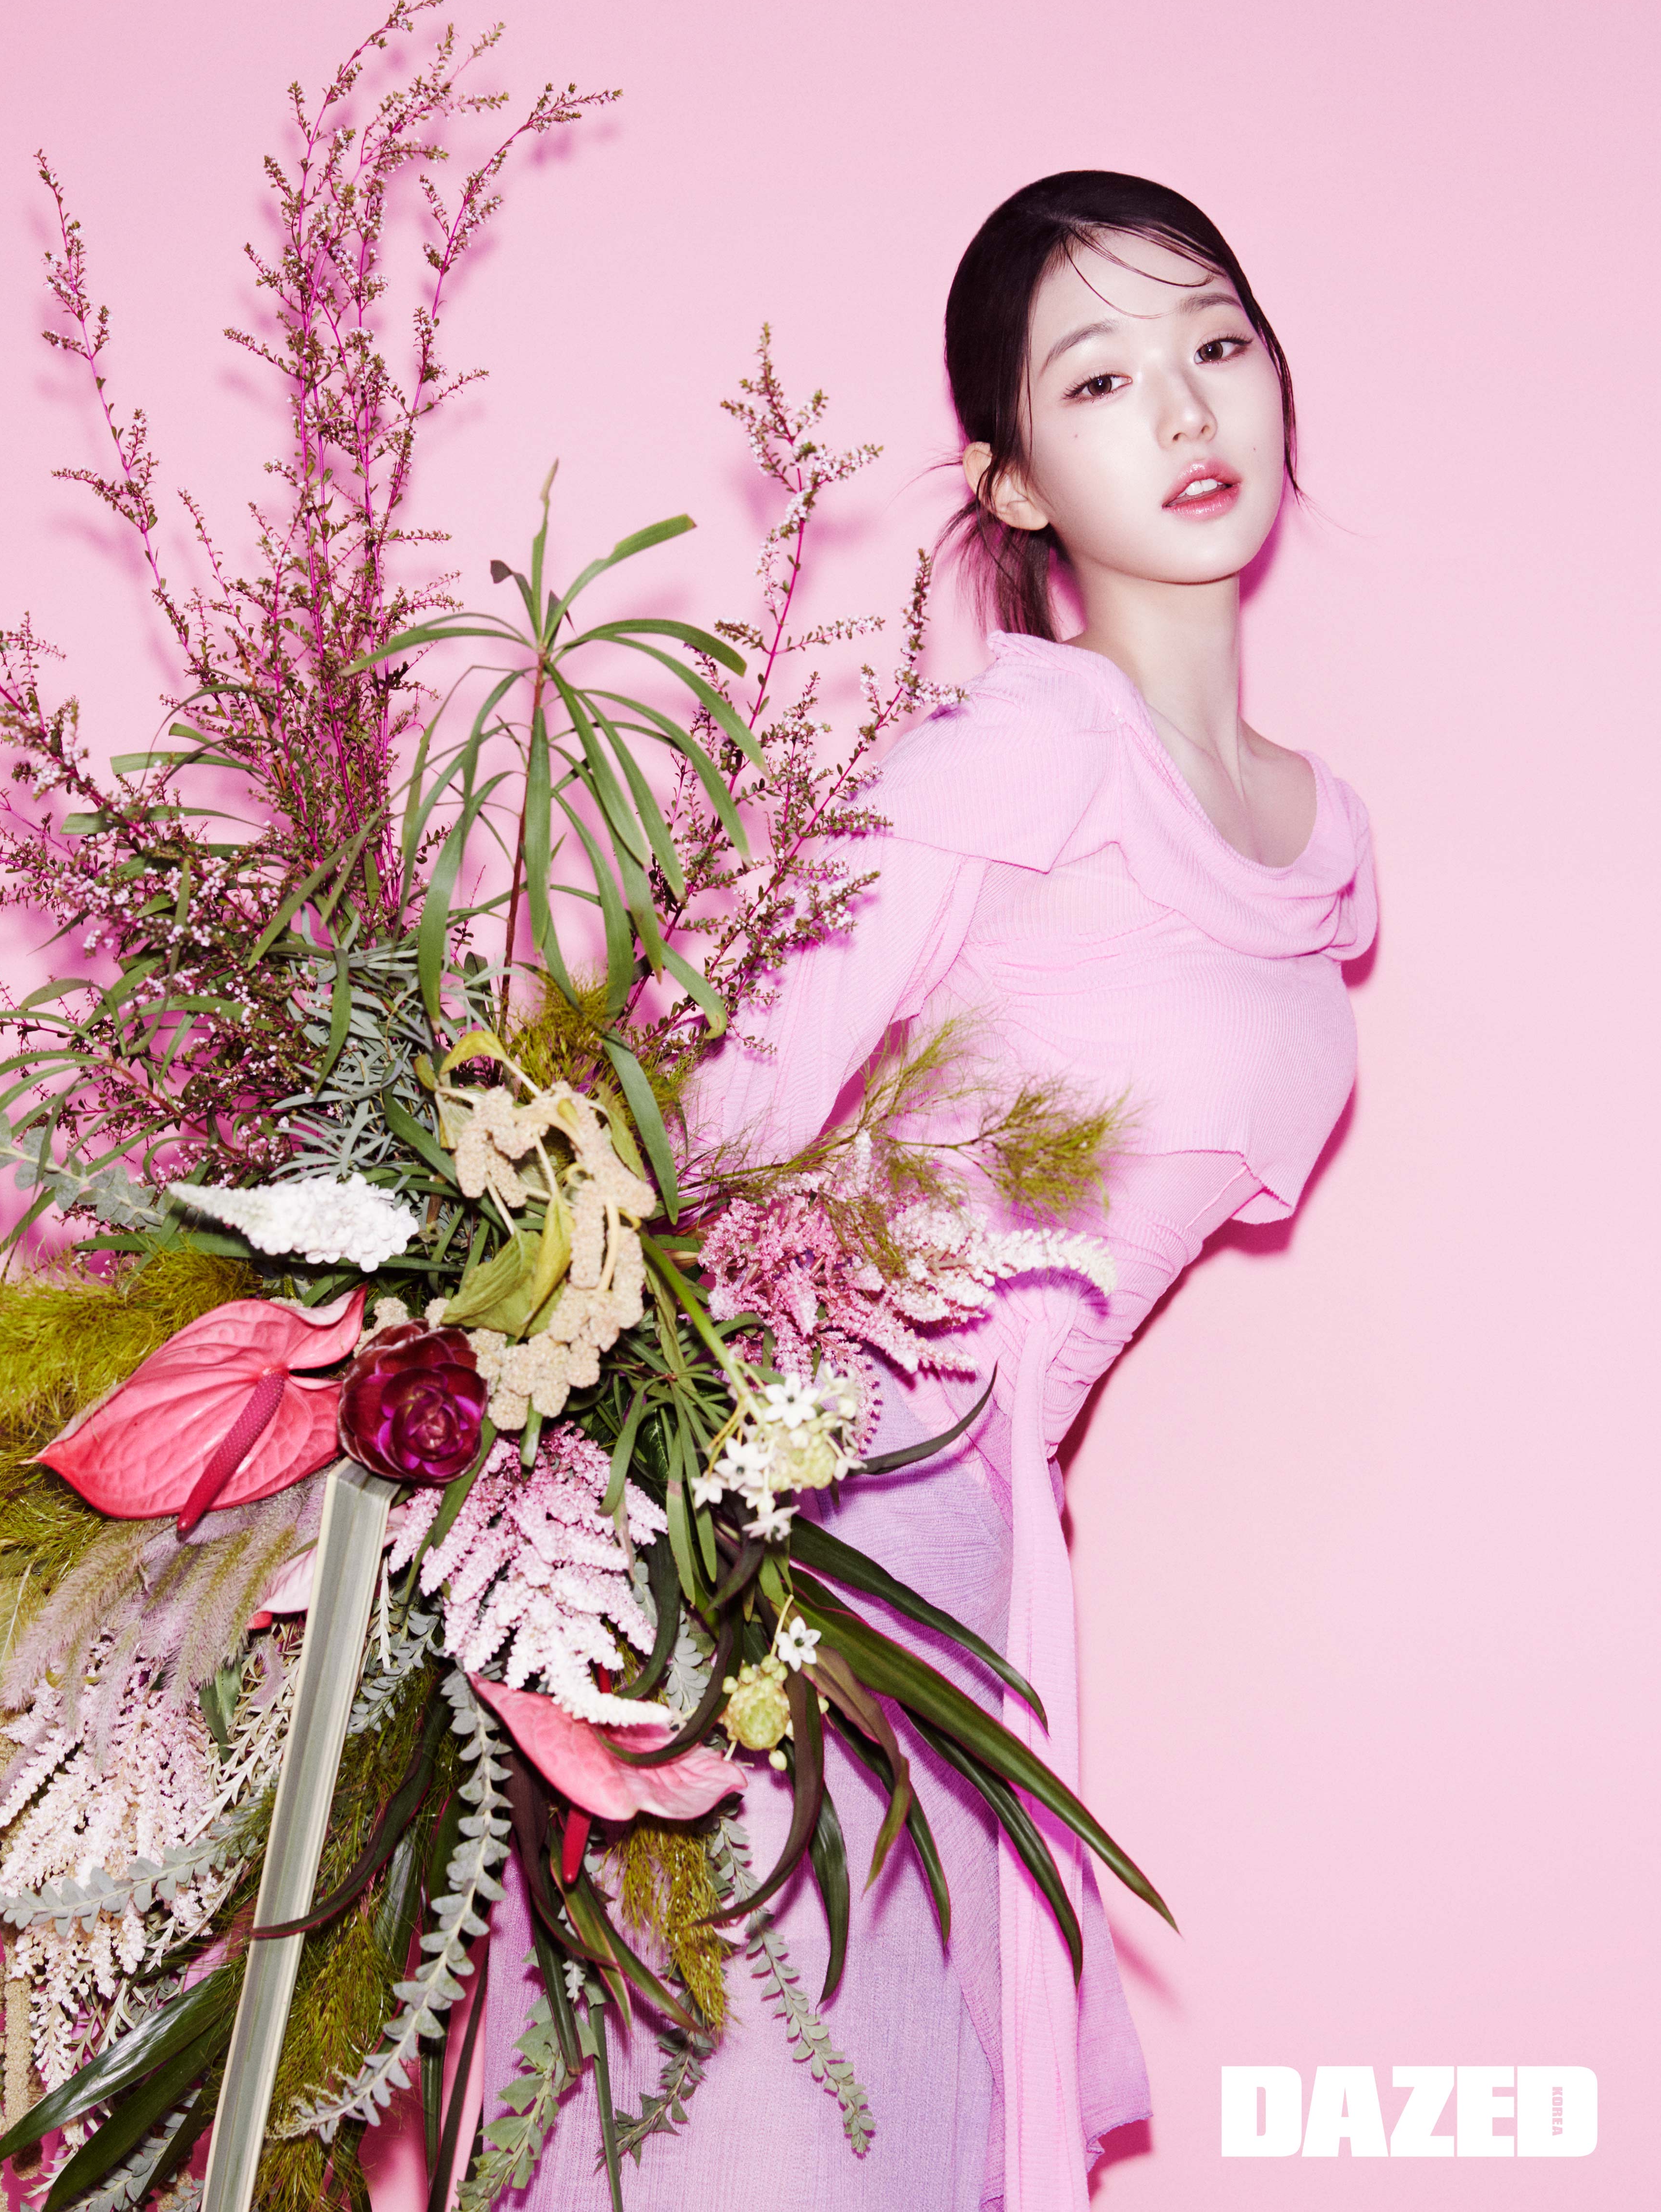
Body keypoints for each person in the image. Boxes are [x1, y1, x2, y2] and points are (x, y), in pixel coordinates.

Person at [481, 170, 1377, 2211]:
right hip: (804, 1515)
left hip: (968, 1550)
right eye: (1101, 377)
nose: (1185, 409)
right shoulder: (1019, 754)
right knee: (762, 2138)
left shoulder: (1325, 844)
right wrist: (582, 1546)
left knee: (889, 2128)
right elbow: (694, 1129)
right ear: (1013, 480)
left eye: (1216, 344)